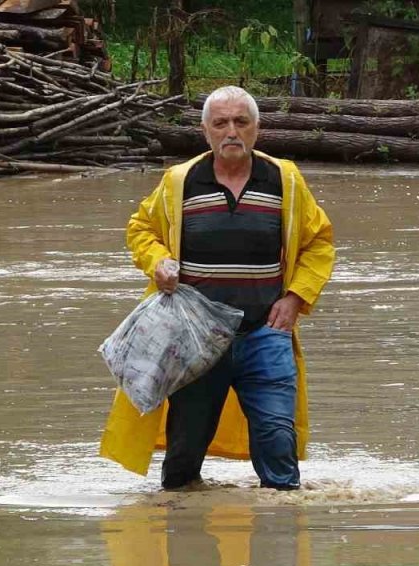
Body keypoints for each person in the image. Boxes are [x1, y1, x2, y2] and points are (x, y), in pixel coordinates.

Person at [99, 85, 335, 491]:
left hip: (267, 331)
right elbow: (141, 229)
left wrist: (296, 297)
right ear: (205, 131)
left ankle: (280, 530)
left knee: (279, 437)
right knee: (184, 451)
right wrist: (158, 263)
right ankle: (181, 527)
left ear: (257, 129)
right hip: (195, 337)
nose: (231, 132)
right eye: (220, 123)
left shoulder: (285, 179)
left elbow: (318, 242)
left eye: (241, 122)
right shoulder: (179, 181)